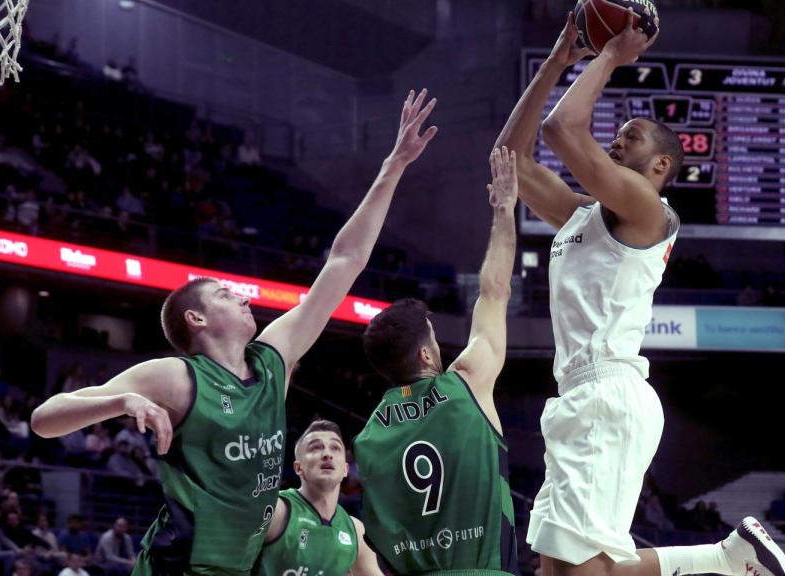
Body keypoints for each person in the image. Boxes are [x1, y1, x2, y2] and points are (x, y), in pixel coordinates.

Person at [31, 89, 438, 576]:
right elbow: (44, 419)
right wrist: (122, 401)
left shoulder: (273, 361)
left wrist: (393, 165)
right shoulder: (176, 378)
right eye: (225, 294)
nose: (243, 297)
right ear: (195, 319)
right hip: (176, 566)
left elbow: (344, 262)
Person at [494, 12, 785, 576]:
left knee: (585, 570)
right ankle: (724, 559)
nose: (614, 140)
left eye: (628, 137)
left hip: (608, 396)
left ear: (660, 165)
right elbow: (509, 162)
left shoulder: (647, 210)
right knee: (555, 568)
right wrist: (560, 58)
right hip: (579, 397)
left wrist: (608, 55)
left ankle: (722, 560)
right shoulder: (583, 214)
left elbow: (563, 131)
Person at [354, 147, 520, 574]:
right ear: (427, 354)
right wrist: (504, 210)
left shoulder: (368, 437)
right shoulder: (465, 383)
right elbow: (495, 291)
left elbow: (376, 536)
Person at [255, 420, 381, 576]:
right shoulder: (276, 510)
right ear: (298, 467)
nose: (327, 454)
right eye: (316, 447)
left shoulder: (355, 530)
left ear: (345, 469)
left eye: (335, 448)